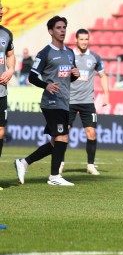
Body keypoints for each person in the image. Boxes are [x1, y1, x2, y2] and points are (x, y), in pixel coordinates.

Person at [14, 16, 80, 187]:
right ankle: (54, 176)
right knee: (63, 137)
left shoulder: (70, 53)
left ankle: (24, 162)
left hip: (64, 101)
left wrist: (75, 76)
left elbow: (67, 80)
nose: (62, 30)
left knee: (56, 141)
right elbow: (32, 76)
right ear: (51, 31)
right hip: (51, 102)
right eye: (58, 27)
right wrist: (46, 86)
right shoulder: (45, 53)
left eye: (64, 27)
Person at [67, 29, 110, 176]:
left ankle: (90, 165)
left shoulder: (95, 57)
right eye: (82, 39)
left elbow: (103, 76)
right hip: (69, 101)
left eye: (87, 39)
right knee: (63, 134)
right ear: (76, 40)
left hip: (87, 102)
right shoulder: (68, 55)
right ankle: (59, 164)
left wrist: (106, 94)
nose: (84, 42)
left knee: (91, 133)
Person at [0, 1, 16, 187]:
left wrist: (11, 70)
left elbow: (10, 55)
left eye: (2, 8)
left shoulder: (6, 33)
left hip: (2, 92)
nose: (2, 11)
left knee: (1, 132)